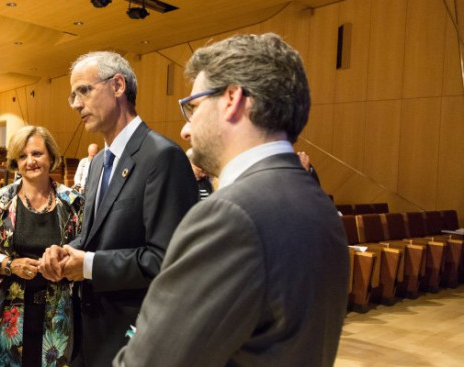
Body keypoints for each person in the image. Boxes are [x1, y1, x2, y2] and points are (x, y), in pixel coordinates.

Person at [113, 33, 349, 367]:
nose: (185, 129)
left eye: (192, 108)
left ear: (232, 99)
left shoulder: (230, 215)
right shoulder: (316, 202)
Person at [39, 51, 197, 367]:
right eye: (72, 95)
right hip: (91, 334)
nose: (75, 103)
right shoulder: (98, 163)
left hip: (136, 338)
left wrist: (88, 266)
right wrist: (65, 251)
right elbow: (91, 237)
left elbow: (167, 261)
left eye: (83, 90)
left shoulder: (163, 157)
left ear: (118, 86)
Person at [0, 126, 84, 367]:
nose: (30, 161)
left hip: (57, 313)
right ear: (15, 162)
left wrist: (64, 264)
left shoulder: (74, 204)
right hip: (7, 314)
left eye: (37, 154)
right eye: (22, 156)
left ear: (51, 157)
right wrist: (10, 265)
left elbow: (83, 250)